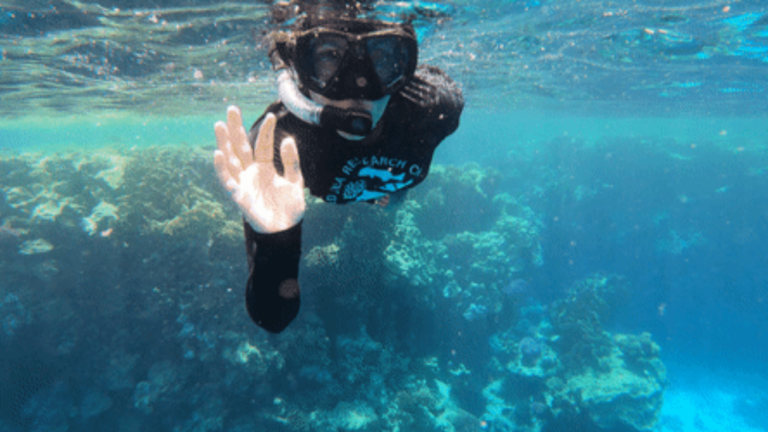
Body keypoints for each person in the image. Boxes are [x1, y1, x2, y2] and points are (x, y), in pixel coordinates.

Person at [213, 3, 464, 333]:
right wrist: (275, 239)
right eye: (330, 56)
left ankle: (393, 194)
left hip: (390, 189)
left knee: (393, 196)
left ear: (403, 68)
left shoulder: (432, 109)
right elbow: (273, 317)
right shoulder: (279, 142)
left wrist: (397, 192)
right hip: (370, 185)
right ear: (299, 67)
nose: (358, 85)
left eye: (382, 57)